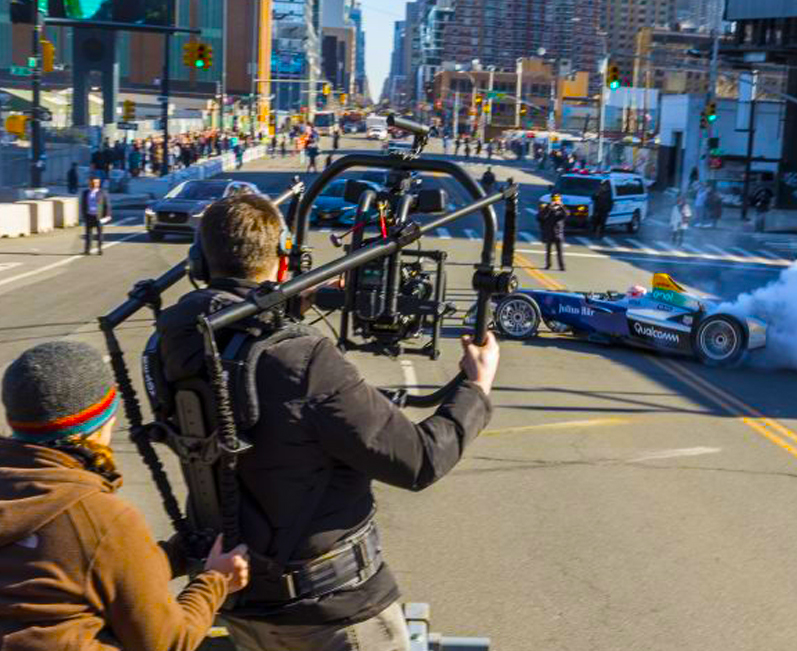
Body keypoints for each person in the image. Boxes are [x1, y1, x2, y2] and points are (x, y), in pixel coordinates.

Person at [155, 194, 500, 651]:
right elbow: (419, 460)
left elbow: (251, 384)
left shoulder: (173, 343)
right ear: (282, 258)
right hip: (333, 616)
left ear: (200, 260)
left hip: (241, 603)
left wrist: (282, 311)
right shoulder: (304, 360)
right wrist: (476, 388)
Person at [0, 341, 250, 650]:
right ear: (102, 420)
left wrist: (166, 557)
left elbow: (62, 572)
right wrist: (217, 580)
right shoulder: (99, 516)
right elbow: (169, 641)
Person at [80, 177, 111, 255]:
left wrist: (108, 215)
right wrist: (83, 215)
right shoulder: (85, 193)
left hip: (99, 217)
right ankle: (87, 250)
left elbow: (107, 205)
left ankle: (100, 249)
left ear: (99, 183)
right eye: (92, 182)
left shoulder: (102, 193)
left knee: (99, 234)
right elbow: (83, 204)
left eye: (96, 182)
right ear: (89, 183)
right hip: (89, 215)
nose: (94, 184)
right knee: (88, 234)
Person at [539, 194, 568, 271]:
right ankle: (548, 264)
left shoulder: (561, 209)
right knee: (548, 251)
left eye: (557, 199)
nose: (555, 201)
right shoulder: (547, 208)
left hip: (559, 233)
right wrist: (549, 207)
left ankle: (562, 266)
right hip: (549, 232)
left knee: (560, 252)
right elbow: (541, 216)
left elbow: (567, 214)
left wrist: (561, 206)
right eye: (554, 199)